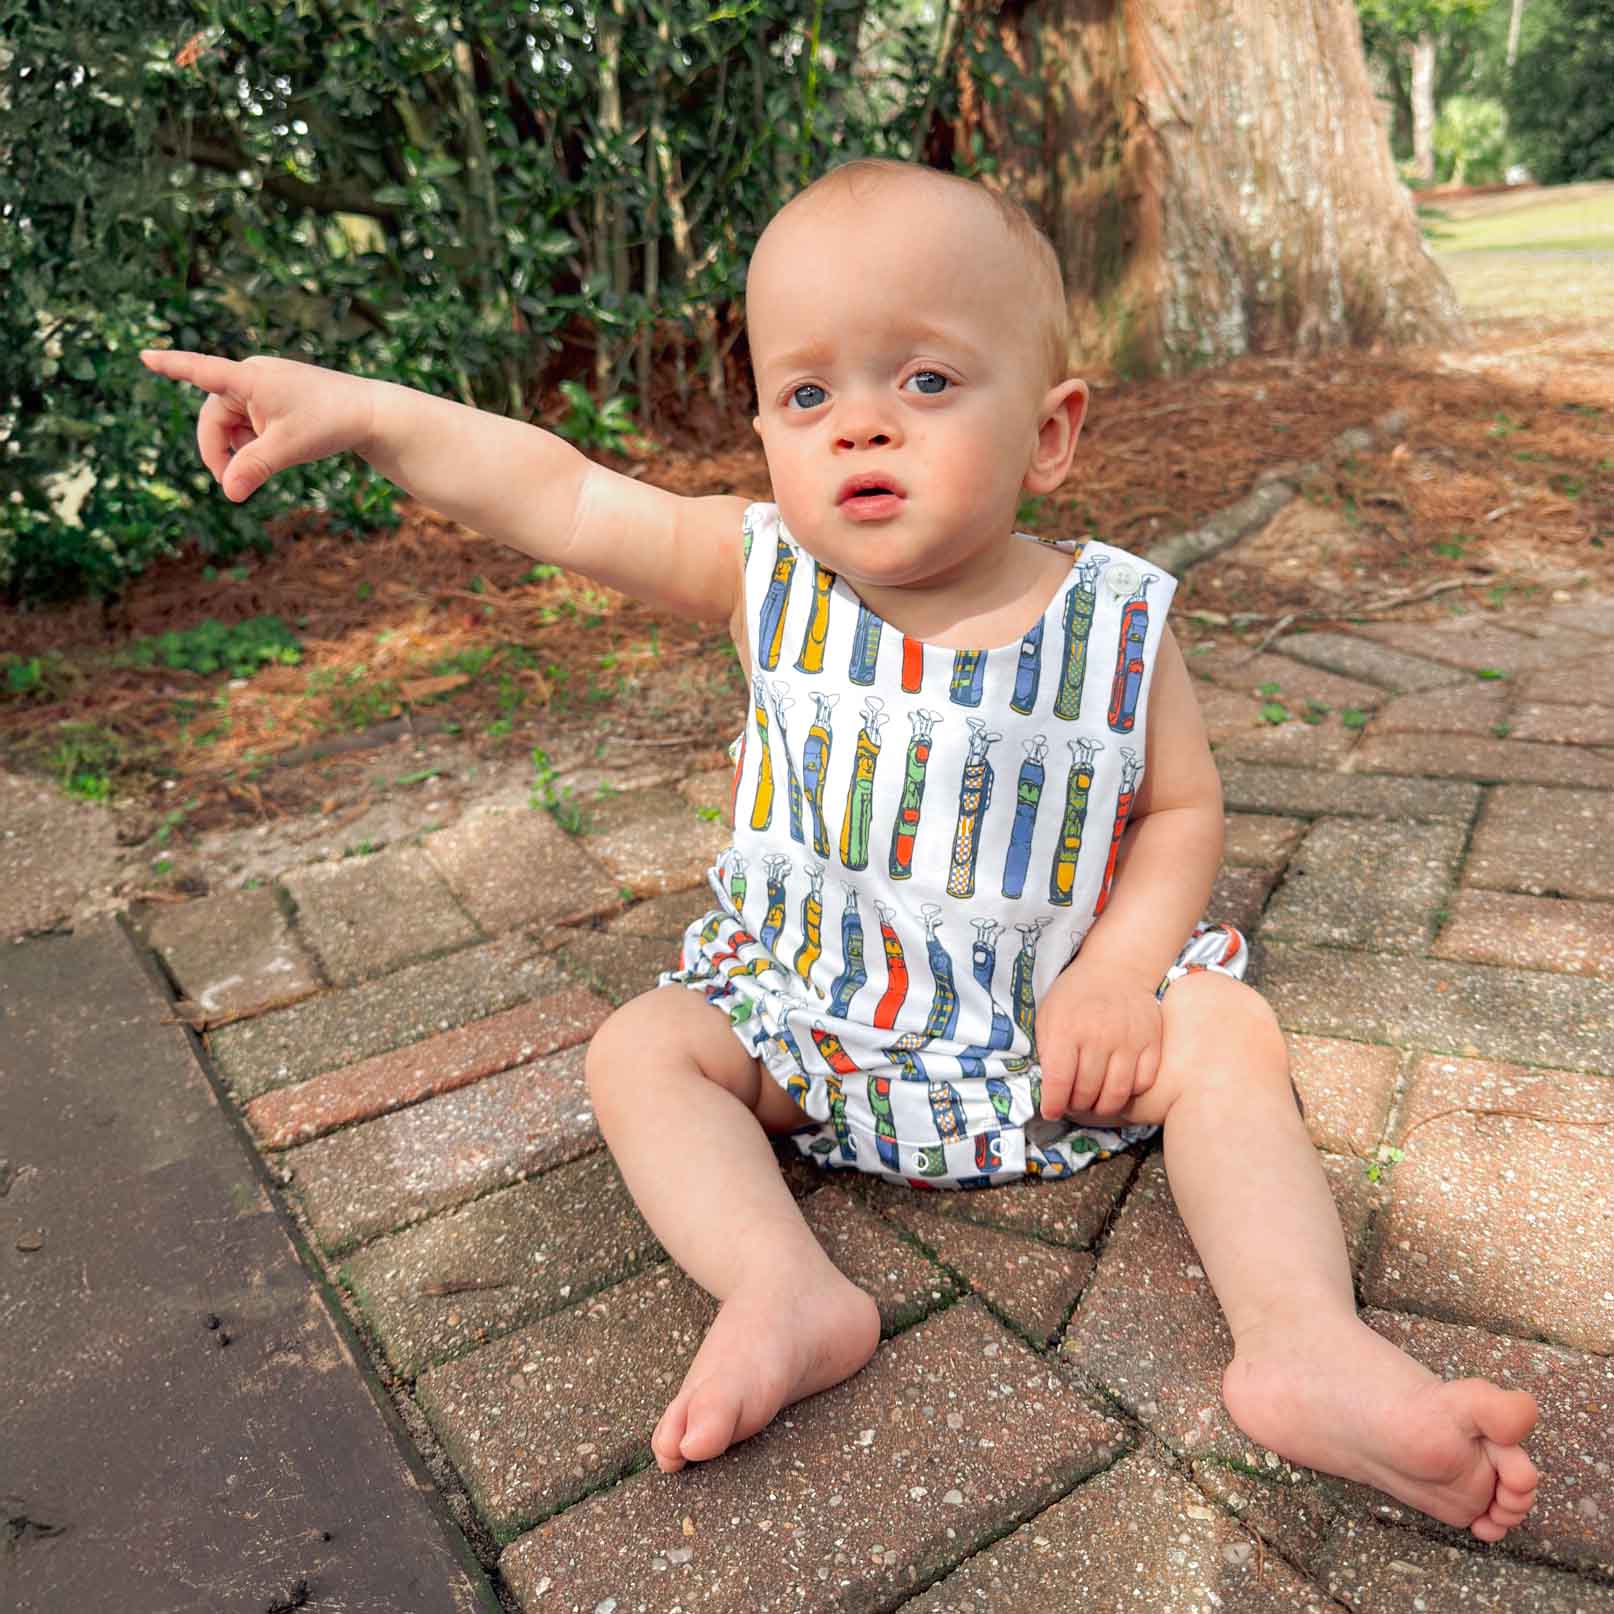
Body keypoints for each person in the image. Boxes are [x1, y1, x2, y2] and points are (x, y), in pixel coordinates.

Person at [142, 157, 1539, 1540]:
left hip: (1060, 1037)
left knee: (1228, 1030)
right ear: (764, 430)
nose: (860, 425)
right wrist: (369, 412)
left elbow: (1180, 811)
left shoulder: (1112, 618)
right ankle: (782, 1286)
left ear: (1049, 431)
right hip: (812, 1031)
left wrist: (1120, 977)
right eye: (808, 396)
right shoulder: (765, 577)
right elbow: (558, 496)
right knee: (643, 1049)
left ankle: (1299, 1339)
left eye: (924, 380)